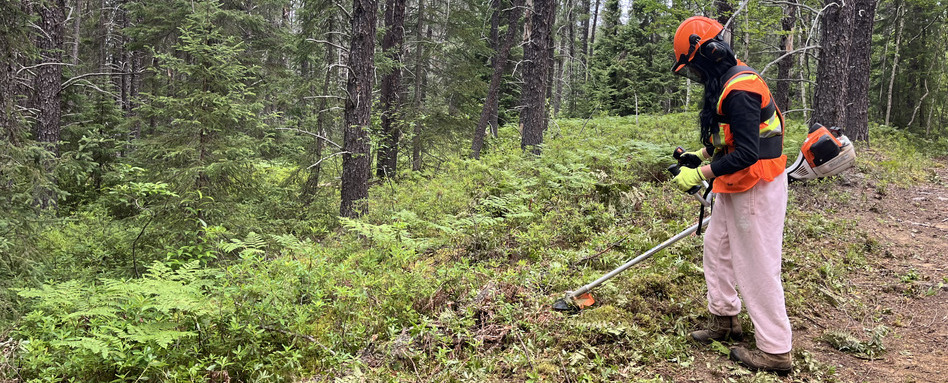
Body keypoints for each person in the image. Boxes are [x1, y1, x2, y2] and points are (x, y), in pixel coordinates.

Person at [669, 16, 793, 374]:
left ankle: (775, 350)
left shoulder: (741, 87)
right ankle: (725, 319)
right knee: (717, 247)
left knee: (756, 265)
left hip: (755, 184)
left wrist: (701, 173)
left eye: (693, 68)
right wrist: (701, 156)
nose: (694, 75)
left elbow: (748, 153)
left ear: (710, 53)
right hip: (735, 184)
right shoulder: (728, 83)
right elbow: (733, 138)